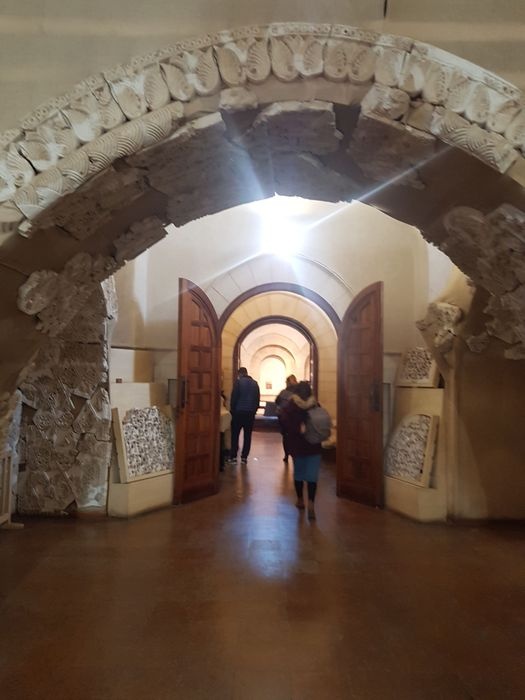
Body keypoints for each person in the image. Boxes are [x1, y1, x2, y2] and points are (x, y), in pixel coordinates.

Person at [280, 380, 323, 520]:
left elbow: (283, 421)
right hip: (314, 446)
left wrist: (290, 432)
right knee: (312, 477)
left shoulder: (291, 406)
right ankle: (311, 503)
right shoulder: (315, 405)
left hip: (297, 445)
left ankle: (300, 500)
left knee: (298, 474)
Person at [228, 367, 260, 465]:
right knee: (247, 436)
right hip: (250, 413)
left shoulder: (238, 383)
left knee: (235, 435)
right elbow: (257, 399)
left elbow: (234, 398)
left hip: (238, 413)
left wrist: (232, 410)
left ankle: (233, 457)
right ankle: (244, 457)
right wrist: (254, 411)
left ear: (239, 374)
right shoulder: (255, 384)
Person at [275, 374, 298, 464]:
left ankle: (286, 455)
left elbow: (277, 401)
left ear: (288, 383)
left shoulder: (283, 392)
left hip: (284, 417)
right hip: (294, 418)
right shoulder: (298, 393)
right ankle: (294, 454)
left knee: (285, 436)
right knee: (294, 437)